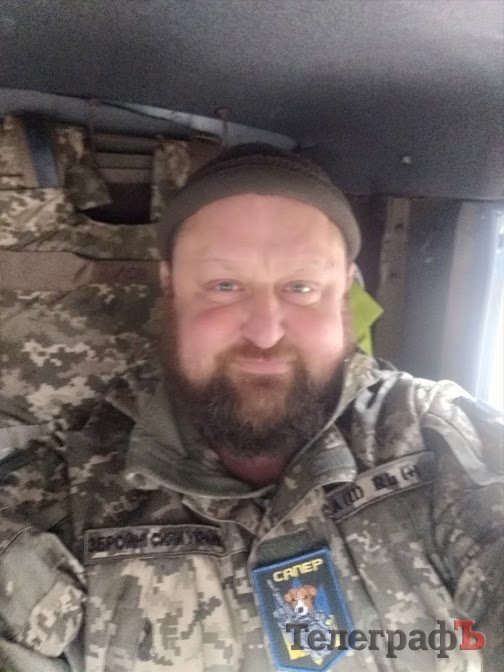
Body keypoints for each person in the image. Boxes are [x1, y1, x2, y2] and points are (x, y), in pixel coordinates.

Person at [0, 144, 502, 672]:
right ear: (170, 287)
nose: (265, 333)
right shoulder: (57, 500)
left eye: (301, 287)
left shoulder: (437, 437)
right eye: (225, 286)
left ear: (345, 294)